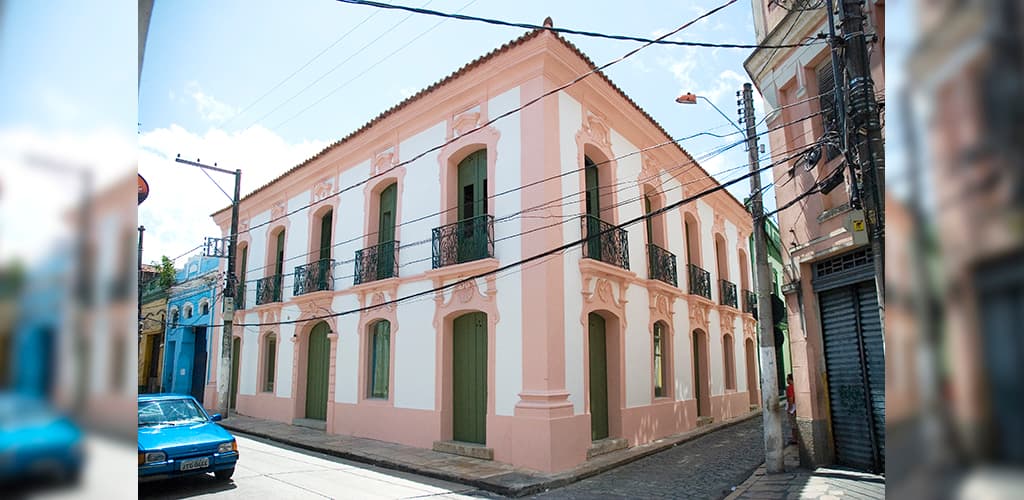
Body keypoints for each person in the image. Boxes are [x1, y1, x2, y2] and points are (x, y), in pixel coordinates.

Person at [785, 373, 797, 445]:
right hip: (796, 406)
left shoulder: (790, 388)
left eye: (787, 378)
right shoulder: (796, 386)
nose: (786, 380)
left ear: (790, 379)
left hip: (793, 407)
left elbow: (790, 398)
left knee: (793, 424)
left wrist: (790, 409)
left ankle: (794, 438)